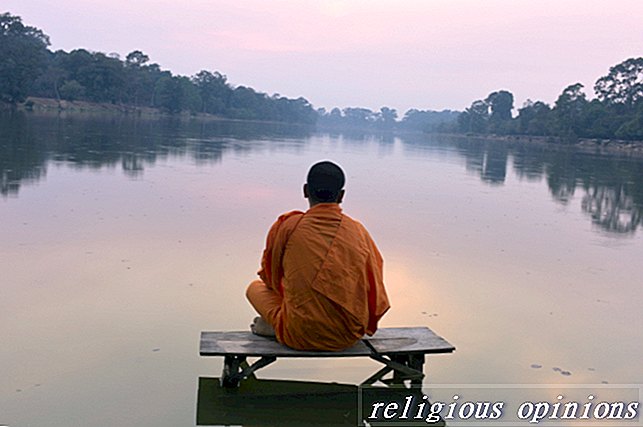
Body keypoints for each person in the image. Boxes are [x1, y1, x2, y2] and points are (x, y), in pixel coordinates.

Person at [245, 160, 390, 351]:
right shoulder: (358, 231)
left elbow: (270, 279)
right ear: (341, 195)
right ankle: (284, 321)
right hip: (347, 335)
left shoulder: (289, 226)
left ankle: (278, 325)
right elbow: (375, 291)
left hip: (298, 334)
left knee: (254, 288)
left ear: (305, 191)